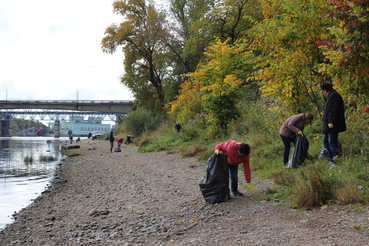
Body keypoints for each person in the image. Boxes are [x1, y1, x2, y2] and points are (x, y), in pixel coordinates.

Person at [321, 83, 346, 165]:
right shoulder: (331, 96)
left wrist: (331, 121)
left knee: (332, 143)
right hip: (328, 125)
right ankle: (332, 158)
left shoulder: (334, 96)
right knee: (325, 141)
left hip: (332, 125)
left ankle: (335, 160)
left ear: (325, 91)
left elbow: (333, 110)